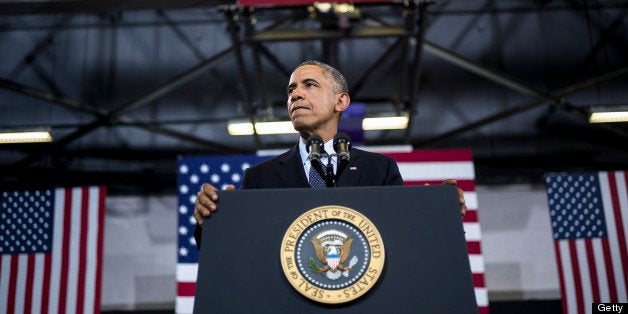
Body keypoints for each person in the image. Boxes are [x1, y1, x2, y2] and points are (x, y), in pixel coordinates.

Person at [193, 60, 467, 245]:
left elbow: (402, 238)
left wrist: (439, 211)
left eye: (309, 85)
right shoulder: (259, 177)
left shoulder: (379, 169)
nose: (295, 95)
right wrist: (212, 220)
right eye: (291, 90)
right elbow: (239, 248)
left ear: (341, 100)